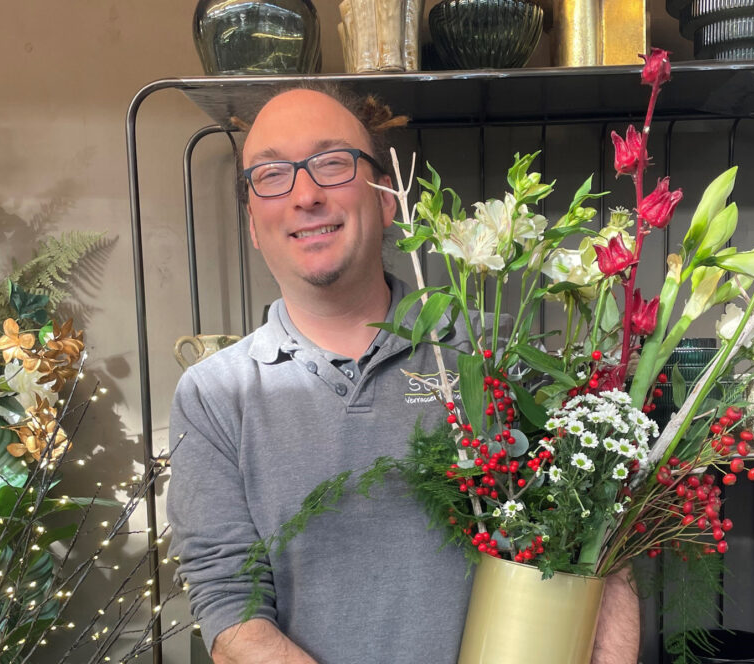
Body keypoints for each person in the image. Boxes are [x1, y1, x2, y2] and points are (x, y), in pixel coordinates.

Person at [167, 84, 640, 664]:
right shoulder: (214, 395)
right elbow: (229, 607)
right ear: (251, 220)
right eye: (271, 174)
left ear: (388, 197)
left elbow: (604, 537)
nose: (305, 195)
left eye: (331, 163)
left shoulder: (494, 353)